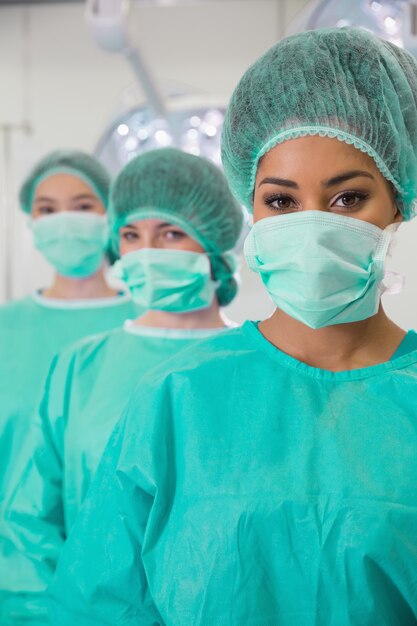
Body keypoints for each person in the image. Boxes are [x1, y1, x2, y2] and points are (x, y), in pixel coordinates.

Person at [49, 28, 417, 625]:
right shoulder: (177, 399)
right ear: (250, 208)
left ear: (400, 200)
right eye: (281, 201)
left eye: (348, 199)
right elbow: (99, 606)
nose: (313, 224)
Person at [1, 147, 243, 625]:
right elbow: (31, 524)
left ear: (215, 241)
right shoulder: (79, 366)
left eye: (171, 232)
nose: (147, 252)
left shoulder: (260, 364)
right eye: (131, 234)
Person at [0, 150, 137, 612]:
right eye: (47, 209)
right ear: (30, 222)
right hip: (14, 584)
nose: (65, 221)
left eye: (82, 206)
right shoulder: (5, 328)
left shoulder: (149, 323)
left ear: (111, 215)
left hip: (129, 584)